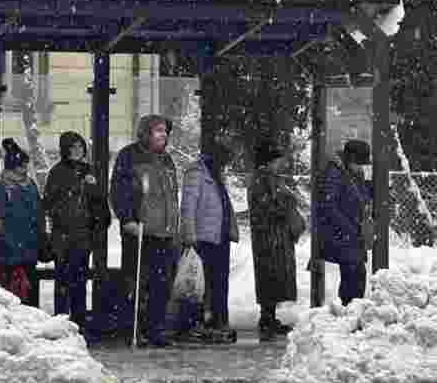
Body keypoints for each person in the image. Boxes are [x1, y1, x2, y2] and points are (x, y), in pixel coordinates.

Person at [110, 114, 180, 348]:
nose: (164, 135)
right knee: (136, 282)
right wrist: (127, 218)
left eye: (165, 131)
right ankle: (132, 328)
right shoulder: (129, 157)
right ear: (146, 133)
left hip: (164, 231)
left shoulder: (167, 160)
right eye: (158, 130)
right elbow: (119, 190)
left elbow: (171, 195)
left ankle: (155, 329)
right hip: (140, 230)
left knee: (162, 284)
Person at [179, 142, 238, 343]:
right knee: (198, 285)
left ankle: (218, 322)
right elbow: (188, 205)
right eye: (223, 162)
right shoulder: (197, 173)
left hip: (219, 237)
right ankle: (196, 323)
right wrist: (189, 235)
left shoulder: (215, 174)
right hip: (202, 238)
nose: (225, 166)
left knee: (218, 282)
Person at [249, 139, 304, 340]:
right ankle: (266, 319)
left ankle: (269, 318)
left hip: (274, 236)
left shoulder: (268, 178)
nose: (280, 163)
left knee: (273, 277)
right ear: (268, 161)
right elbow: (266, 207)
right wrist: (287, 205)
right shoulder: (262, 179)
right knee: (270, 277)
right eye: (276, 160)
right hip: (270, 237)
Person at [43, 131, 96, 329]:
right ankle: (62, 323)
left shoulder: (89, 171)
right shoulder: (57, 172)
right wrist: (70, 190)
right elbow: (49, 202)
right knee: (63, 281)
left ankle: (79, 322)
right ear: (65, 150)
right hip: (63, 235)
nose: (77, 151)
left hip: (83, 235)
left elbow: (98, 203)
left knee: (80, 282)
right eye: (73, 147)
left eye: (80, 147)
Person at [316, 139, 374, 306]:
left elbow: (359, 194)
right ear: (350, 159)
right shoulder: (335, 172)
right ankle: (348, 308)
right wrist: (349, 228)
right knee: (352, 274)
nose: (361, 167)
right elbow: (329, 204)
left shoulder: (353, 172)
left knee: (357, 273)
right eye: (359, 163)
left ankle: (351, 308)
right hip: (343, 233)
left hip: (353, 231)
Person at [0, 138, 45, 306]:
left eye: (25, 165)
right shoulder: (2, 187)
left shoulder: (29, 185)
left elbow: (38, 214)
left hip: (26, 251)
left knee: (28, 297)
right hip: (9, 255)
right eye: (22, 165)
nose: (25, 169)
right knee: (13, 299)